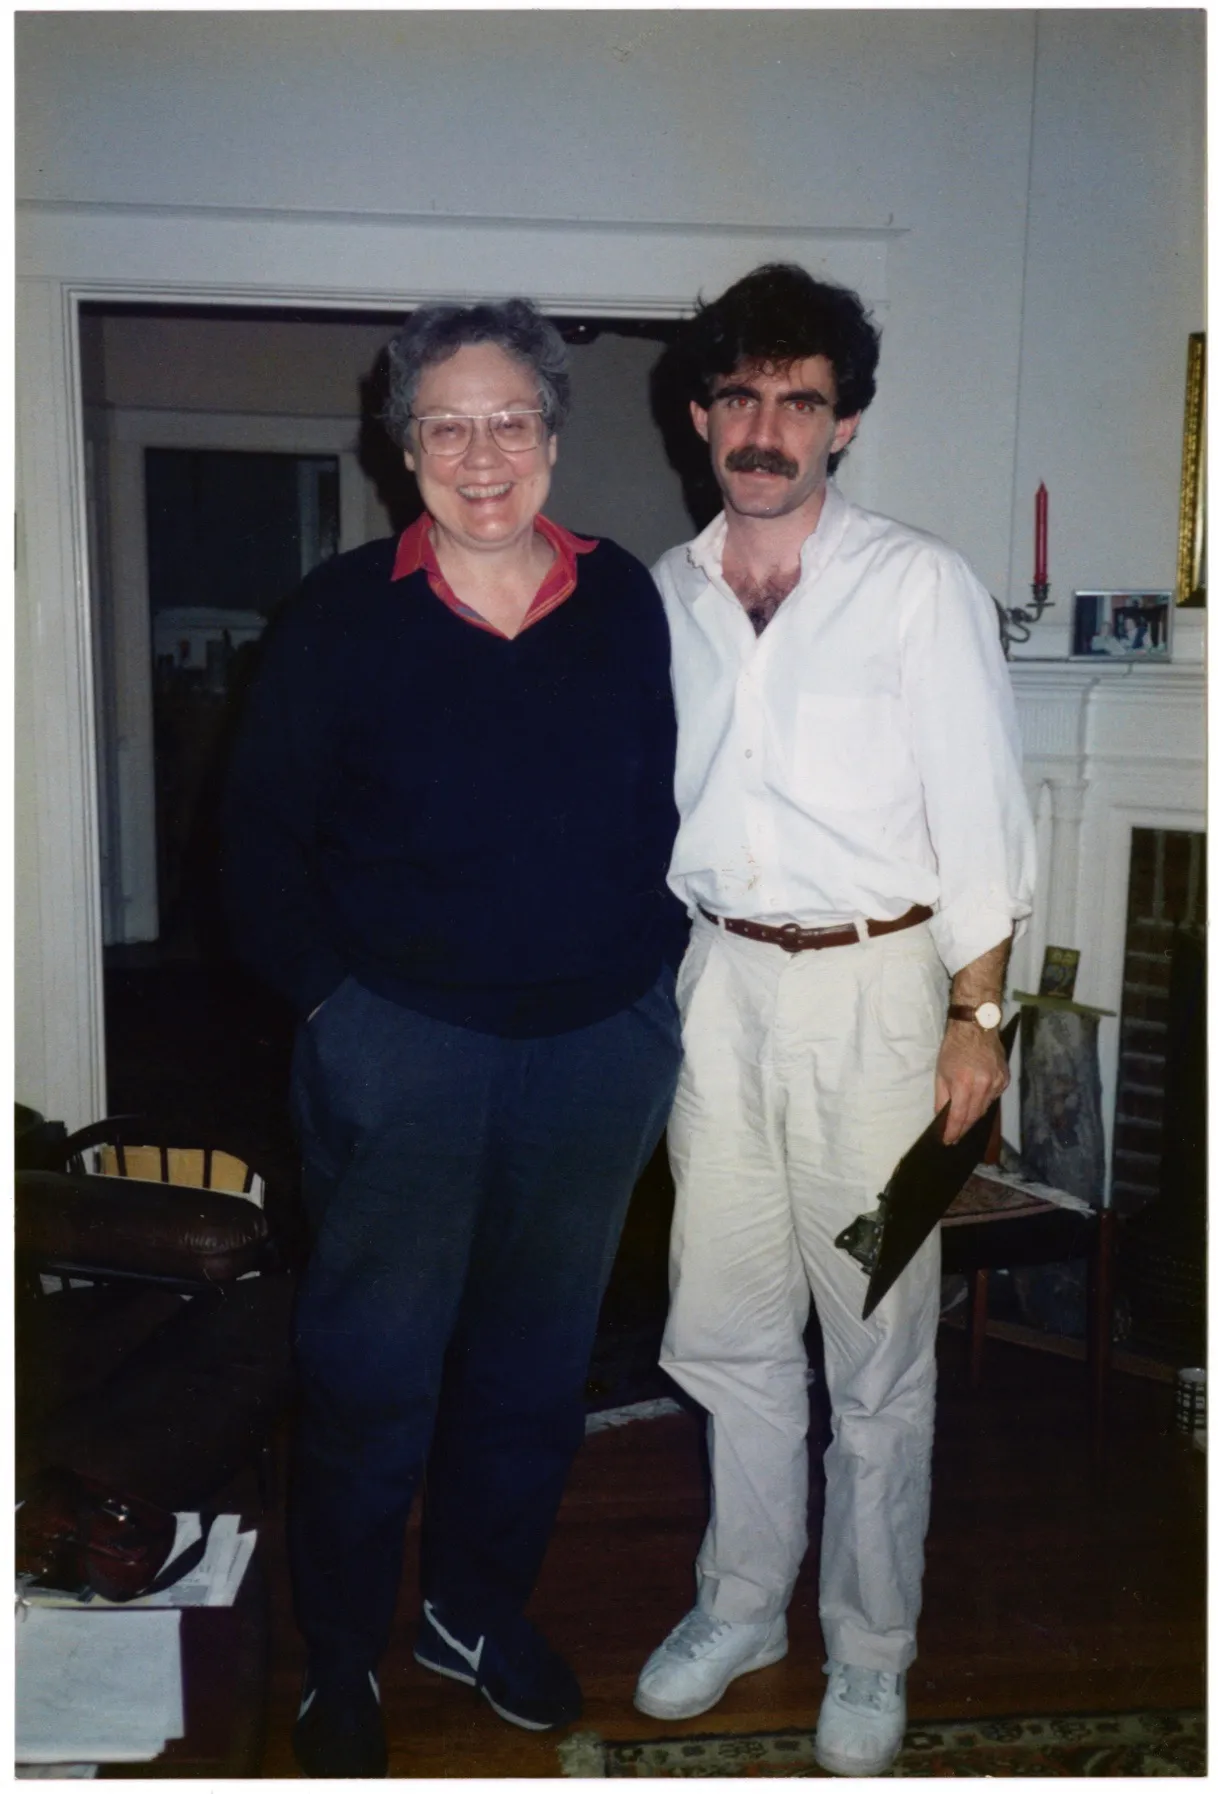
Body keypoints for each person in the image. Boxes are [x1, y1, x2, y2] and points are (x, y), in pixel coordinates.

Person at [224, 298, 684, 1778]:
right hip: (404, 1045)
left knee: (536, 1367)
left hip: (592, 1053)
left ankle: (472, 1613)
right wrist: (338, 1011)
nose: (479, 453)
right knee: (371, 1369)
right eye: (446, 423)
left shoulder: (624, 603)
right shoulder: (340, 616)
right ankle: (341, 1653)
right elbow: (251, 843)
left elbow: (673, 805)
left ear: (551, 437)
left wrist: (640, 995)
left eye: (509, 421)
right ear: (400, 443)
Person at [633, 264, 1036, 1776]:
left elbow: (984, 822)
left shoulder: (916, 586)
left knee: (874, 1348)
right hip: (717, 993)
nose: (764, 425)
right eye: (738, 393)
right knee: (723, 1329)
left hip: (883, 997)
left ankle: (868, 1651)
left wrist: (974, 1016)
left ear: (844, 423)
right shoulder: (660, 599)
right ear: (697, 414)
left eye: (797, 398)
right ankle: (740, 1606)